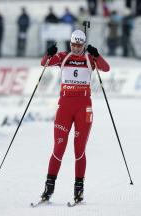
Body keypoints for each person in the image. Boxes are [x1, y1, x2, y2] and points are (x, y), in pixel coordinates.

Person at [40, 29, 110, 204]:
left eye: (79, 45)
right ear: (70, 43)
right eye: (73, 44)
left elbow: (106, 68)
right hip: (64, 108)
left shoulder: (89, 59)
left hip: (83, 109)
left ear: (84, 45)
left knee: (79, 150)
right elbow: (44, 63)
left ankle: (78, 190)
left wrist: (97, 55)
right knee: (58, 148)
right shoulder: (63, 57)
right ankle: (48, 189)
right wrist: (49, 53)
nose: (76, 48)